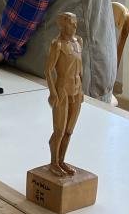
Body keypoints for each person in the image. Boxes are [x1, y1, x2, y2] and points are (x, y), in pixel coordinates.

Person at [46, 12, 83, 177]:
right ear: (62, 25)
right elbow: (48, 70)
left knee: (69, 130)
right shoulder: (57, 44)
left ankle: (61, 160)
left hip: (77, 91)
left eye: (75, 23)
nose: (75, 26)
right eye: (71, 23)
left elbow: (81, 70)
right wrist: (53, 93)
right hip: (62, 90)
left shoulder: (79, 42)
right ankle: (53, 162)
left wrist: (82, 90)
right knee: (59, 130)